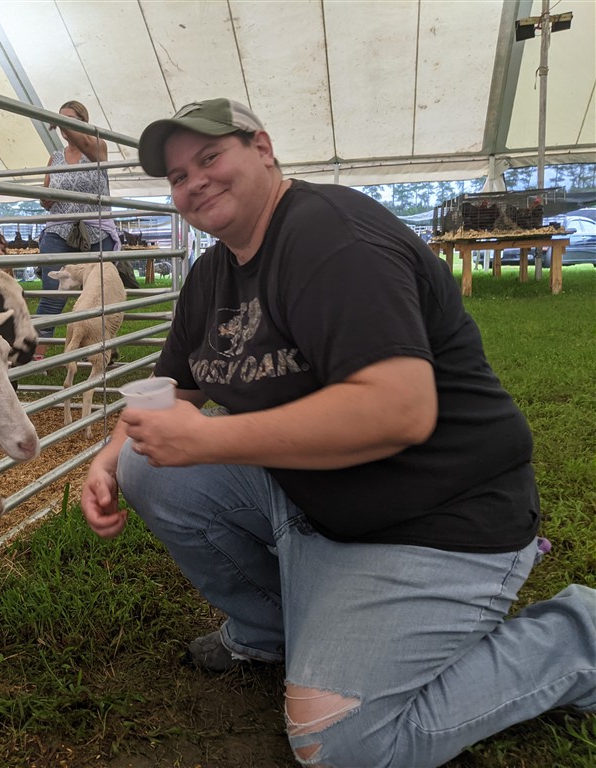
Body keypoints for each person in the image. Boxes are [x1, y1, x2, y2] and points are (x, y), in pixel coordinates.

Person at [80, 99, 595, 768]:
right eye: (178, 176)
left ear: (262, 148)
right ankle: (271, 630)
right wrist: (107, 459)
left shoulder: (331, 237)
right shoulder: (213, 273)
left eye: (209, 158)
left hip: (438, 517)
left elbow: (399, 411)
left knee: (340, 743)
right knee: (145, 464)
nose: (194, 182)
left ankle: (578, 639)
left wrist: (206, 441)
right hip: (320, 500)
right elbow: (174, 388)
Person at [34, 100, 121, 358]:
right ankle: (36, 355)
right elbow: (45, 195)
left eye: (70, 120)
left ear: (84, 122)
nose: (64, 126)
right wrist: (46, 198)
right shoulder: (55, 157)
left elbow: (84, 143)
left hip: (96, 232)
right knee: (53, 293)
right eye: (61, 120)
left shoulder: (97, 147)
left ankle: (104, 348)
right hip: (59, 231)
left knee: (101, 294)